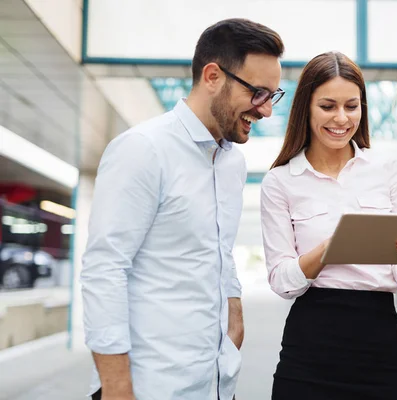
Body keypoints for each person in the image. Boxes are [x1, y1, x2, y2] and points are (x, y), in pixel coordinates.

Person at [80, 18, 284, 400]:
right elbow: (105, 270)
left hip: (215, 383)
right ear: (212, 76)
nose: (267, 111)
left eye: (273, 96)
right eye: (258, 93)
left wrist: (235, 313)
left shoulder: (232, 164)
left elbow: (219, 250)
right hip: (148, 385)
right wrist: (116, 386)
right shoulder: (143, 149)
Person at [260, 51, 397, 400]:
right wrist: (329, 250)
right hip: (310, 339)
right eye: (327, 106)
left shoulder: (387, 170)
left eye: (352, 106)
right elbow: (282, 281)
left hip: (378, 338)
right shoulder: (281, 182)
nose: (341, 118)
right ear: (305, 108)